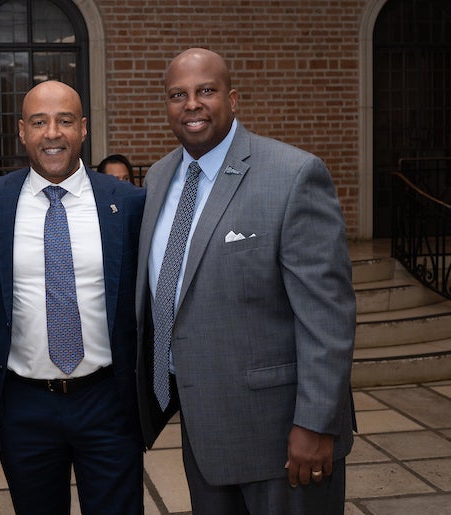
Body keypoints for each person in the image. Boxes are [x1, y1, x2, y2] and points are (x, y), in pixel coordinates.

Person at [136, 48, 356, 515]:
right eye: (178, 95)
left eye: (206, 91)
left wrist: (317, 424)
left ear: (232, 99)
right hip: (202, 432)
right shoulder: (157, 179)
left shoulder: (293, 175)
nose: (191, 104)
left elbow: (326, 316)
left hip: (281, 439)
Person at [0, 80, 145, 515]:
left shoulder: (126, 202)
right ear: (21, 132)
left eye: (65, 121)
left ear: (83, 129)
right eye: (39, 122)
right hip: (24, 405)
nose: (53, 133)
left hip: (107, 401)